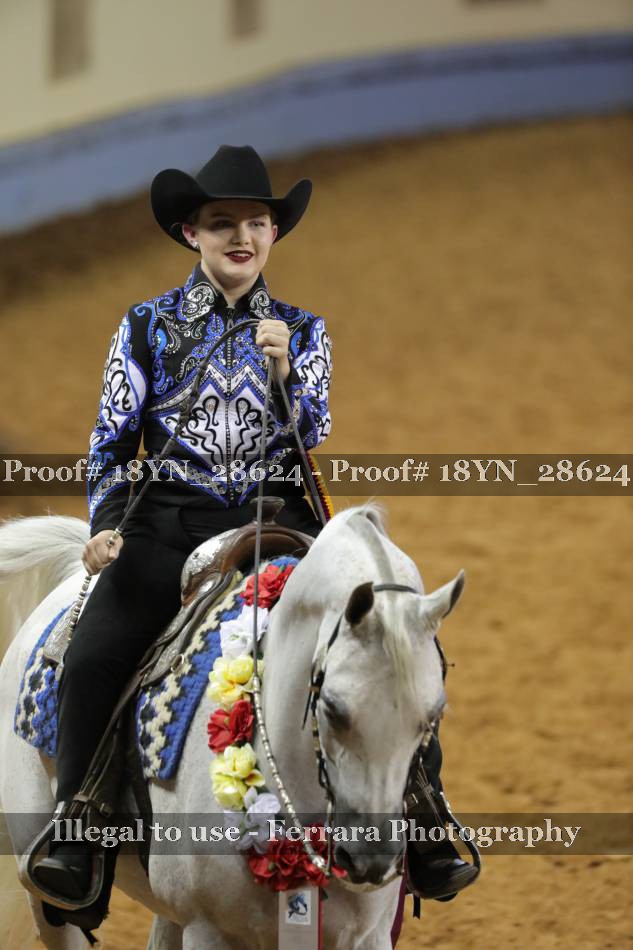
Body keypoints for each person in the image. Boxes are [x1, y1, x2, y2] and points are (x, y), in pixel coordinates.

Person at [30, 144, 475, 911]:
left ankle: (425, 816)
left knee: (397, 642)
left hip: (281, 520)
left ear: (273, 233)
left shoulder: (302, 329)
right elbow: (111, 441)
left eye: (256, 223)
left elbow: (314, 426)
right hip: (168, 522)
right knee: (97, 647)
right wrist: (104, 525)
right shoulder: (145, 327)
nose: (241, 236)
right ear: (191, 234)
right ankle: (81, 822)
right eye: (221, 223)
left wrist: (286, 372)